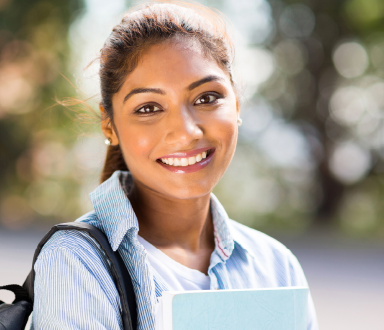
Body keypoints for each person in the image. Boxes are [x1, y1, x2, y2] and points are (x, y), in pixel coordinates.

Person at [31, 2, 318, 329]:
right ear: (109, 125)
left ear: (236, 104)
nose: (186, 132)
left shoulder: (276, 267)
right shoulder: (76, 262)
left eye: (207, 98)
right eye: (149, 107)